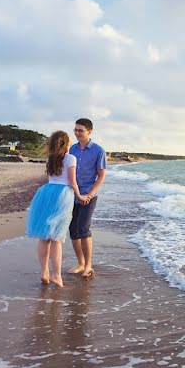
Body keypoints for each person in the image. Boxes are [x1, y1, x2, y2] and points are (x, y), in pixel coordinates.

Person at [26, 130, 87, 287]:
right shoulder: (70, 158)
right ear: (65, 143)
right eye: (69, 141)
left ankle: (44, 272)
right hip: (63, 195)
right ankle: (57, 276)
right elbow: (72, 182)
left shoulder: (51, 158)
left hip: (47, 193)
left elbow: (53, 177)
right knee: (57, 238)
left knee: (44, 236)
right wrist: (80, 197)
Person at [67, 117, 107, 278]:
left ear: (89, 131)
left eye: (80, 130)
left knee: (83, 228)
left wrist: (89, 195)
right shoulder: (72, 149)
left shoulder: (99, 151)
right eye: (75, 130)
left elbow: (101, 176)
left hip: (88, 196)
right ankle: (80, 263)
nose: (77, 133)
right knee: (73, 230)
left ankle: (88, 265)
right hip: (71, 195)